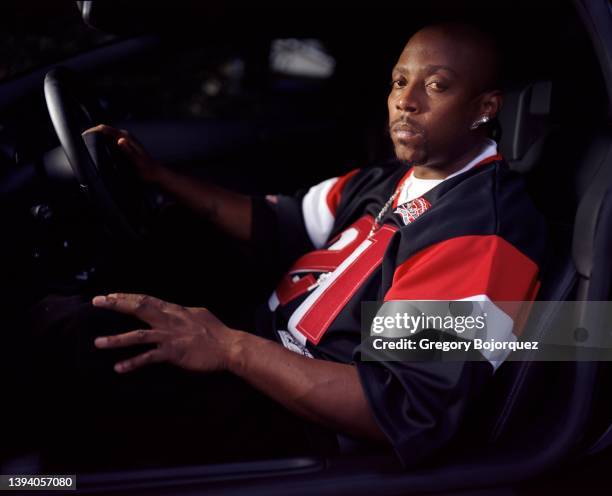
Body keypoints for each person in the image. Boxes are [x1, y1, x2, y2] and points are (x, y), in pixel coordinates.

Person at [17, 22, 545, 470]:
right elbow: (278, 221)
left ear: (484, 107)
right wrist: (159, 177)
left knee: (68, 338)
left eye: (437, 85)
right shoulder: (387, 181)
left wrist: (230, 349)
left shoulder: (481, 233)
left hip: (308, 432)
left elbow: (400, 405)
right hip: (263, 358)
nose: (406, 101)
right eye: (399, 81)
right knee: (83, 319)